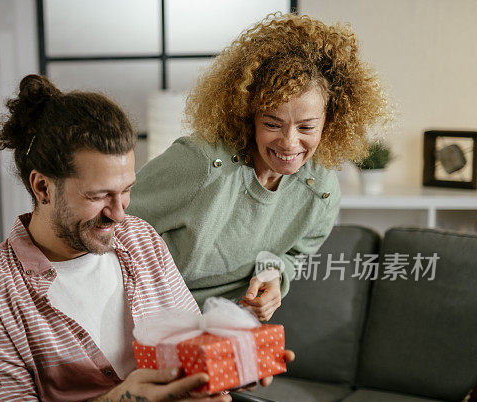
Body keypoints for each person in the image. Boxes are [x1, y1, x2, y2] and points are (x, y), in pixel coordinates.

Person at [0, 74, 404, 402]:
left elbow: (187, 347)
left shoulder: (140, 242)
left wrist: (237, 348)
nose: (120, 212)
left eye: (125, 191)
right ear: (42, 188)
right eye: (99, 196)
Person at [128, 13, 391, 322]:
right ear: (247, 115)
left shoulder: (320, 191)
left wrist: (275, 277)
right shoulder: (201, 164)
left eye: (306, 127)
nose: (290, 143)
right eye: (272, 124)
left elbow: (293, 255)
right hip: (151, 322)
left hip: (227, 329)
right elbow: (113, 224)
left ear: (329, 123)